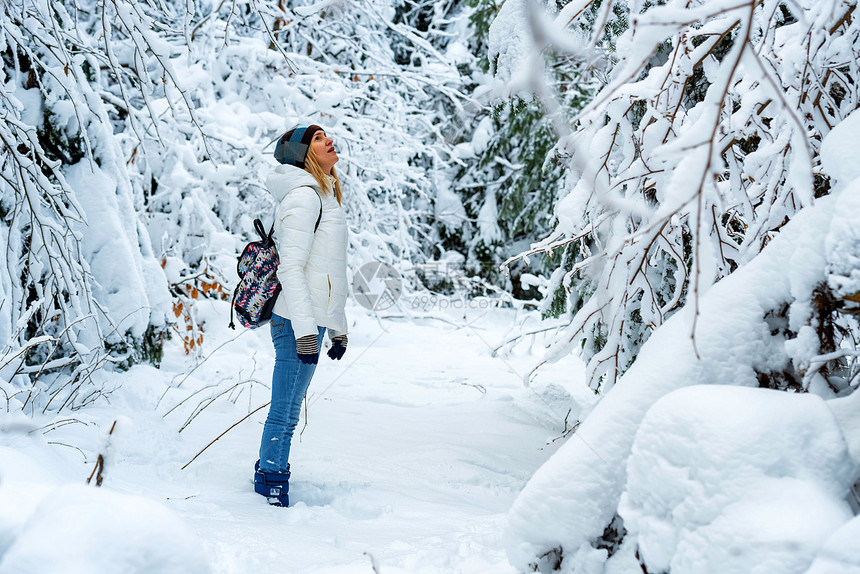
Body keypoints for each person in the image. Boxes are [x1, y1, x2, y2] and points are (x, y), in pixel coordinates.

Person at [253, 124, 349, 507]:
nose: (329, 140)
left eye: (327, 135)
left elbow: (329, 272)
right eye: (317, 138)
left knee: (290, 407)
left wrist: (336, 328)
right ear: (303, 154)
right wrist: (307, 332)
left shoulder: (325, 196)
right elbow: (290, 269)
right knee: (285, 411)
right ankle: (272, 483)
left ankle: (269, 472)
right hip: (295, 319)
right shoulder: (305, 197)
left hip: (308, 319)